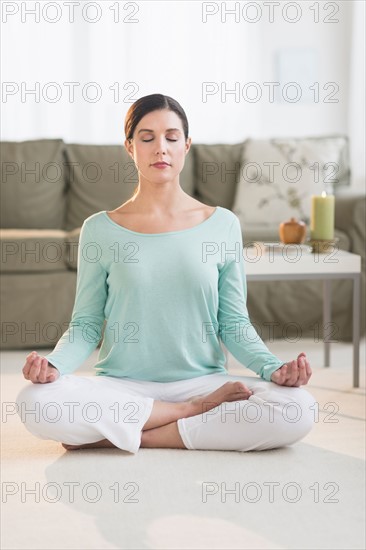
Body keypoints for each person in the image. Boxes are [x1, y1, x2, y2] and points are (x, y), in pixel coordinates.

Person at [16, 93, 315, 453]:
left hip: (203, 382)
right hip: (122, 385)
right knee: (34, 401)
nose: (161, 148)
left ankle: (134, 431)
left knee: (298, 409)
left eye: (172, 137)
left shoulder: (222, 225)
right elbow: (86, 325)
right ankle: (187, 414)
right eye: (147, 138)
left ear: (186, 146)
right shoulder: (99, 229)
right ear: (129, 147)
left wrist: (272, 369)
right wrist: (54, 366)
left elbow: (233, 322)